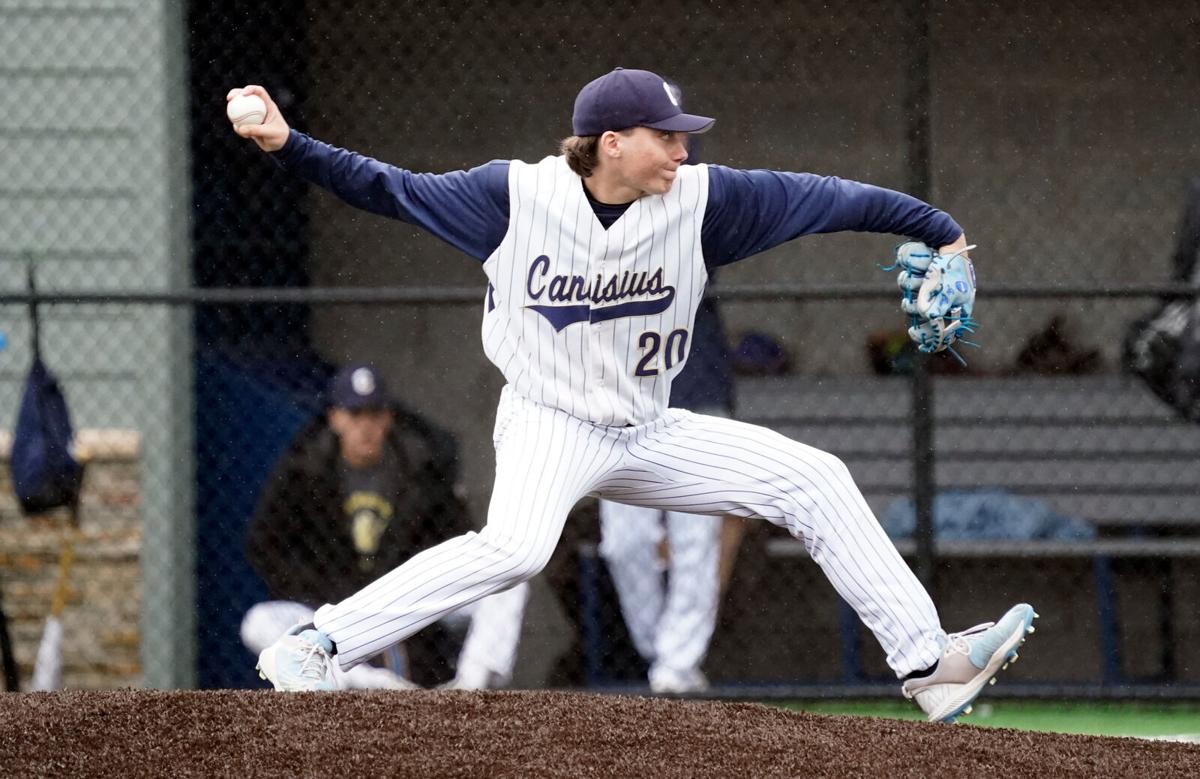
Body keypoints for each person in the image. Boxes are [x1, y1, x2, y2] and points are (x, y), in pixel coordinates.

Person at [229, 67, 1037, 723]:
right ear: (609, 143)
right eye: (667, 137)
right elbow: (382, 186)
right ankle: (320, 643)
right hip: (550, 420)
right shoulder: (511, 198)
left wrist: (941, 229)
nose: (683, 152)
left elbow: (832, 199)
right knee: (517, 546)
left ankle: (929, 664)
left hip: (648, 426)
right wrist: (287, 142)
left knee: (812, 478)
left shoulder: (704, 202)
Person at [243, 363, 528, 690]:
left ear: (388, 417)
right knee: (258, 622)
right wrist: (322, 594)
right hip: (327, 610)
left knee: (509, 580)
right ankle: (376, 688)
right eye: (355, 414)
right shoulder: (305, 471)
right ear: (335, 418)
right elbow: (264, 545)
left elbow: (458, 539)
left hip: (409, 602)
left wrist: (411, 587)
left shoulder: (421, 467)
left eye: (374, 414)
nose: (365, 426)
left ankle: (469, 690)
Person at [597, 284, 733, 694]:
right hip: (622, 393)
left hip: (695, 382)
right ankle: (661, 653)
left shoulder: (689, 222)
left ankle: (677, 662)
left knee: (695, 537)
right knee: (623, 542)